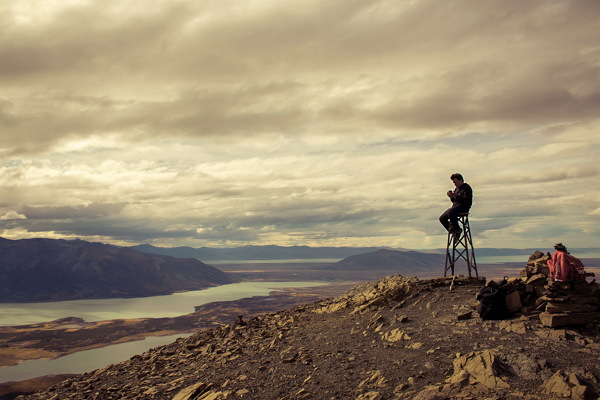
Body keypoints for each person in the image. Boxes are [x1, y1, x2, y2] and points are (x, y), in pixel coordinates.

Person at [439, 173, 473, 241]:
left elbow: (466, 200)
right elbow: (454, 201)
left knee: (451, 212)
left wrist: (456, 196)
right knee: (442, 218)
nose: (455, 184)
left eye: (456, 182)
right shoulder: (456, 189)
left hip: (464, 207)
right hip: (456, 207)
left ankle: (457, 230)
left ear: (460, 180)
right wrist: (451, 197)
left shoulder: (466, 187)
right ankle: (453, 231)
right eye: (454, 183)